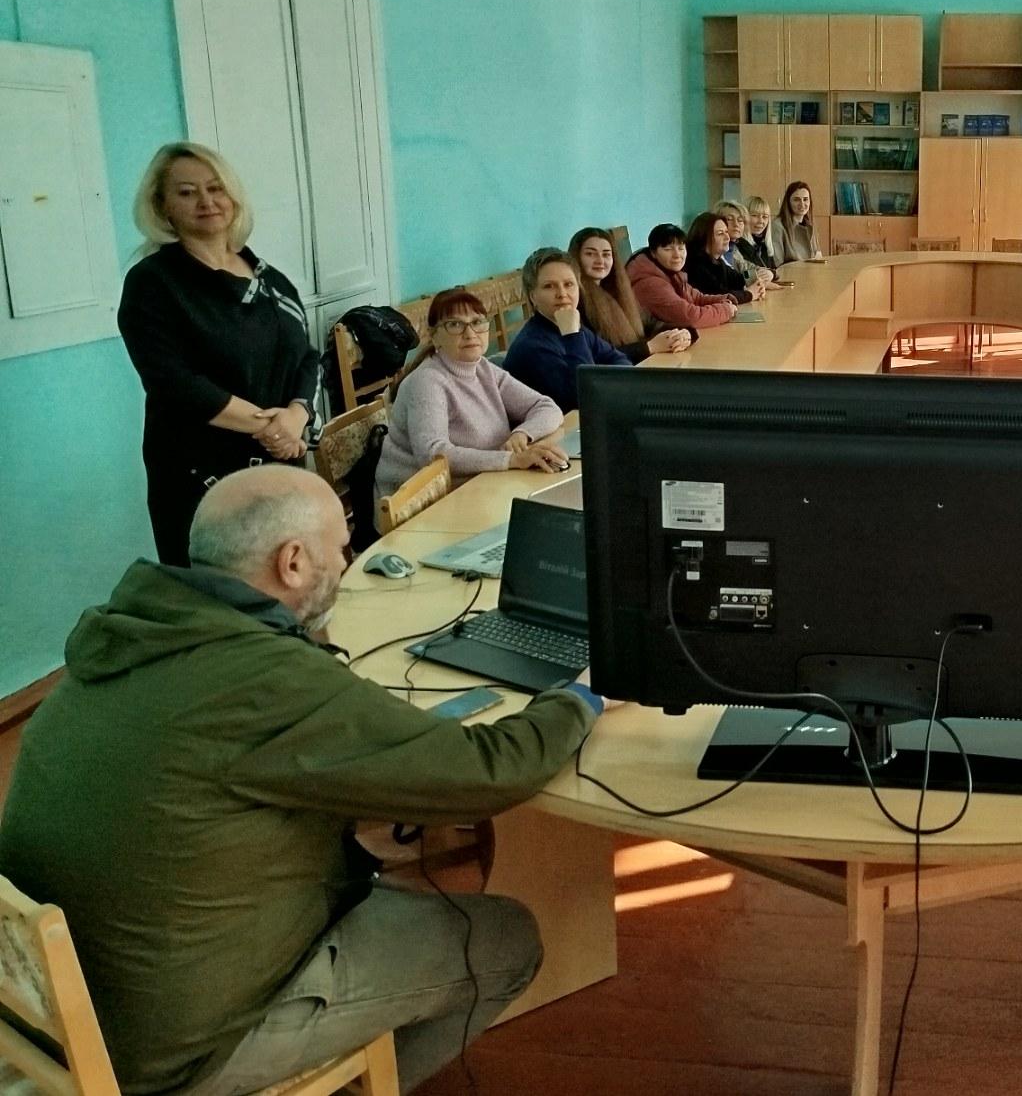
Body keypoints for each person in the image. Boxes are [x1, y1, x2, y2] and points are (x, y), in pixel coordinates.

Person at [0, 466, 603, 1095]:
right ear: (292, 563)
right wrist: (582, 697)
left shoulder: (134, 632)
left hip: (60, 1008)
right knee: (505, 941)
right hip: (173, 1051)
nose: (347, 560)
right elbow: (486, 772)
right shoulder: (262, 679)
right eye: (339, 548)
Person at [117, 142, 325, 565]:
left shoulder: (272, 281)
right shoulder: (153, 283)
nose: (206, 201)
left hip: (280, 466)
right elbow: (174, 382)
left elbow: (306, 357)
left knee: (288, 581)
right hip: (200, 477)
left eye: (215, 188)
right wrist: (271, 428)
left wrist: (297, 415)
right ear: (162, 206)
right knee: (219, 591)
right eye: (187, 192)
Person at [376, 287, 566, 497]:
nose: (469, 333)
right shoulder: (427, 381)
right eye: (455, 325)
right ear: (434, 336)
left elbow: (546, 407)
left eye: (477, 322)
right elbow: (432, 455)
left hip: (482, 485)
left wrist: (522, 433)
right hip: (422, 503)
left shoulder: (483, 368)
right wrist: (511, 460)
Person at [502, 247, 632, 410]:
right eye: (549, 286)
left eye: (569, 284)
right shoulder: (532, 346)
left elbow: (619, 360)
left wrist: (604, 386)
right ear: (533, 297)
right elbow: (582, 399)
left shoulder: (570, 325)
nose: (562, 294)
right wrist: (572, 336)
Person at [568, 226, 691, 362]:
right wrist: (649, 347)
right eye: (590, 254)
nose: (600, 261)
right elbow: (593, 359)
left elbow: (651, 323)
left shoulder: (617, 291)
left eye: (606, 254)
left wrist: (682, 334)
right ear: (576, 257)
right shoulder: (574, 301)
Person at [627, 222, 740, 330]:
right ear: (653, 253)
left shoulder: (670, 272)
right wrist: (726, 310)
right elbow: (690, 317)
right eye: (668, 249)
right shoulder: (649, 283)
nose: (677, 255)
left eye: (681, 248)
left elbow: (697, 298)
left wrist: (724, 299)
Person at [686, 211, 768, 304]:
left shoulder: (717, 261)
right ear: (703, 237)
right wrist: (749, 294)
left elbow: (739, 277)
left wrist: (756, 280)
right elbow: (719, 295)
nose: (727, 238)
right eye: (720, 233)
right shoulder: (695, 265)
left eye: (726, 232)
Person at [714, 200, 774, 287]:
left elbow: (746, 269)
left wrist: (769, 273)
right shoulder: (714, 250)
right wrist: (755, 279)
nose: (736, 224)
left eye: (740, 220)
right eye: (729, 219)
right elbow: (730, 281)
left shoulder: (733, 248)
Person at [767, 181, 825, 266]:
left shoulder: (810, 225)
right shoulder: (778, 226)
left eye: (805, 199)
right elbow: (778, 263)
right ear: (788, 202)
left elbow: (818, 256)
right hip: (790, 273)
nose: (802, 204)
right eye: (796, 200)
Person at [739, 196, 782, 279]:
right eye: (755, 215)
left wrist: (772, 273)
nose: (761, 221)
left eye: (765, 217)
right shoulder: (739, 244)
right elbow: (744, 276)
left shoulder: (763, 244)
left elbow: (775, 270)